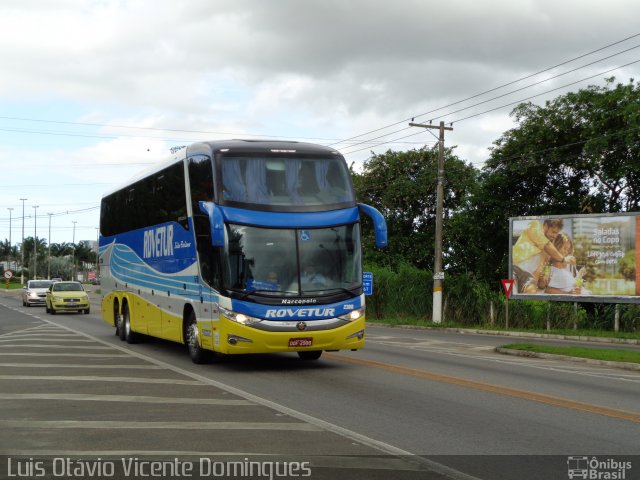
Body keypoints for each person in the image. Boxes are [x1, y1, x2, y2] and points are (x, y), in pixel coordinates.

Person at [512, 219, 576, 294]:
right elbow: (545, 244)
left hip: (529, 278)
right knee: (512, 291)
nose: (555, 236)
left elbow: (541, 285)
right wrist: (563, 259)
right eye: (553, 232)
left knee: (531, 294)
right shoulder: (534, 225)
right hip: (515, 268)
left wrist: (543, 282)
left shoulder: (548, 254)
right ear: (545, 226)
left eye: (557, 233)